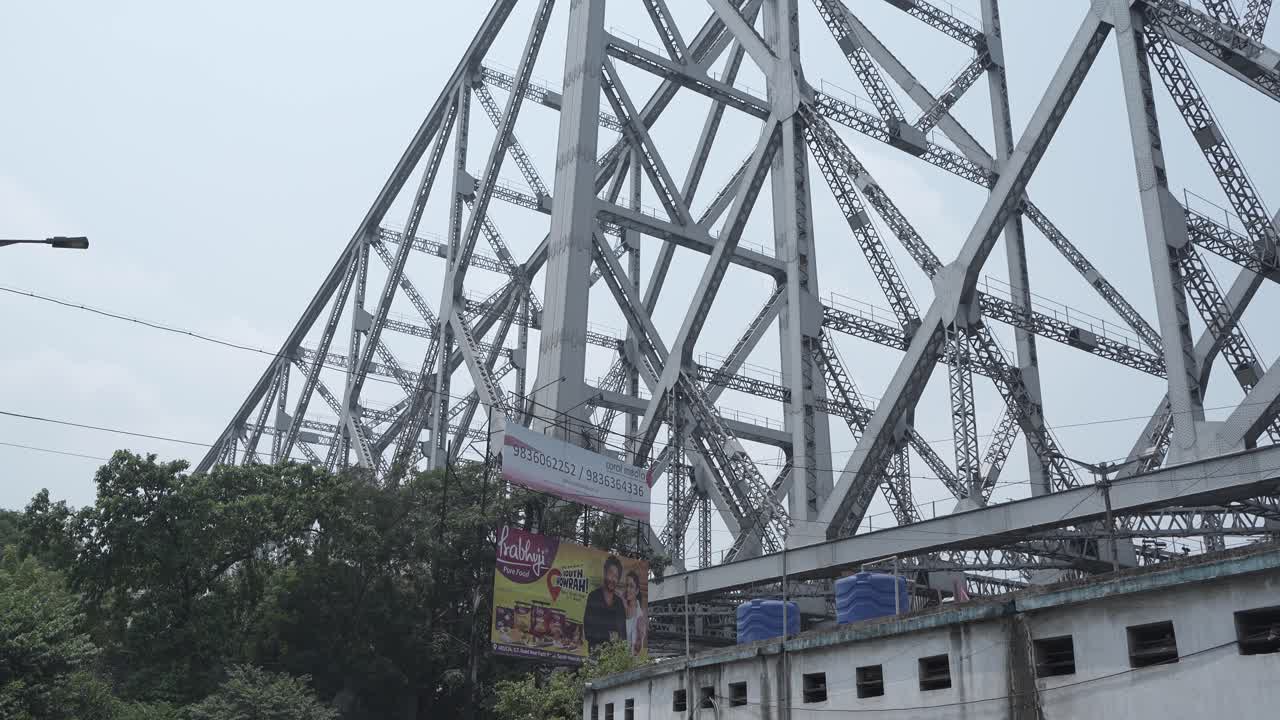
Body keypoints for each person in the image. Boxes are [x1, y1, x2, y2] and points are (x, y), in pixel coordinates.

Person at [583, 555, 627, 652]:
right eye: (611, 573)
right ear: (604, 572)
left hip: (614, 659)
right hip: (595, 655)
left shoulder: (619, 603)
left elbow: (623, 636)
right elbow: (588, 631)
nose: (613, 579)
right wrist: (610, 635)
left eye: (616, 576)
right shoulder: (593, 597)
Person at [624, 570, 648, 655]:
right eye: (626, 585)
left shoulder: (640, 618)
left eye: (631, 586)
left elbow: (638, 649)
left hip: (631, 662)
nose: (628, 589)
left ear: (637, 591)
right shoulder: (621, 607)